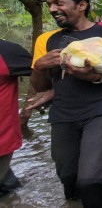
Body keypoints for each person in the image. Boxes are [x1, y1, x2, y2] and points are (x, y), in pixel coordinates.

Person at [30, 0, 102, 207]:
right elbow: (40, 86)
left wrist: (95, 77)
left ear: (81, 5)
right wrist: (39, 66)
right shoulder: (46, 40)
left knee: (91, 178)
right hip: (64, 113)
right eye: (49, 4)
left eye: (59, 3)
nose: (52, 9)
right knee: (68, 177)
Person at [0, 39, 32, 197]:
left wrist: (49, 93)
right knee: (8, 187)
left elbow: (42, 69)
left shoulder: (6, 52)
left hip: (2, 139)